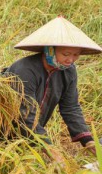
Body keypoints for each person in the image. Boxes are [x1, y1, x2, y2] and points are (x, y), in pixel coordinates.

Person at [6, 16, 101, 154]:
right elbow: (25, 113)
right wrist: (49, 148)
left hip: (33, 134)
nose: (70, 60)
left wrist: (87, 140)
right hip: (4, 130)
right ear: (49, 50)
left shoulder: (68, 71)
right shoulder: (25, 70)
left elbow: (70, 107)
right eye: (66, 54)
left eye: (76, 55)